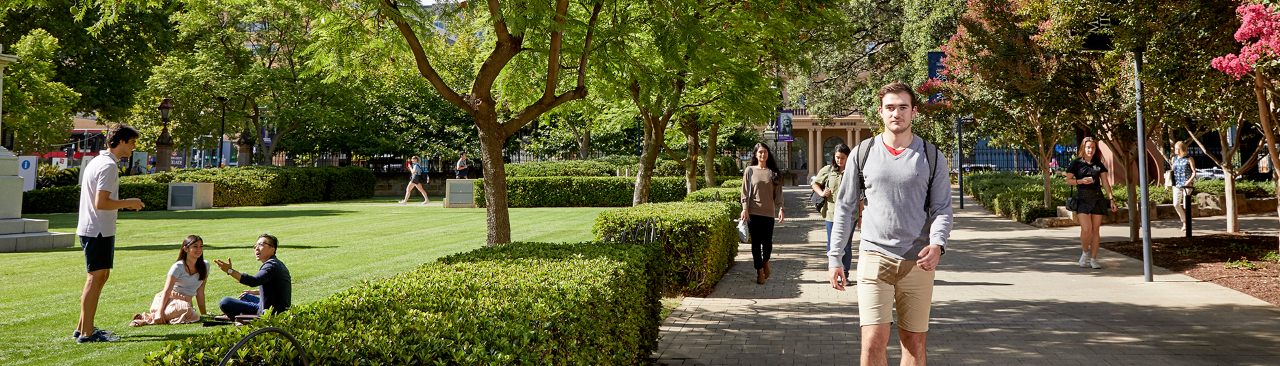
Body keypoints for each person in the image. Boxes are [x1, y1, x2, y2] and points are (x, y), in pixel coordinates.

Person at [827, 81, 953, 366]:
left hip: (919, 261)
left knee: (914, 344)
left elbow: (942, 209)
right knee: (872, 341)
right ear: (881, 112)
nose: (897, 113)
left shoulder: (932, 156)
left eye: (903, 107)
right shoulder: (863, 153)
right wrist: (835, 257)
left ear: (913, 112)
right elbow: (845, 208)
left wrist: (937, 244)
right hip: (874, 258)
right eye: (890, 107)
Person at [74, 124, 145, 344]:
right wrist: (129, 203)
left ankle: (83, 327)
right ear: (121, 141)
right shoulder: (108, 166)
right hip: (97, 230)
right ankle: (87, 334)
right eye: (132, 142)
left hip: (98, 229)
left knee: (101, 276)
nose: (133, 147)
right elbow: (101, 202)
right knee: (95, 278)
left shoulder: (99, 161)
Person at [130, 235, 210, 326]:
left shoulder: (205, 265)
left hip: (184, 302)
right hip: (168, 299)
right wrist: (160, 311)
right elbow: (167, 291)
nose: (199, 249)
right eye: (195, 246)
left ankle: (149, 318)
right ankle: (146, 320)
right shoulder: (178, 266)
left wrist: (204, 313)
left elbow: (200, 291)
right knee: (187, 311)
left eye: (201, 246)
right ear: (185, 249)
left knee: (191, 313)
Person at [1066, 137, 1117, 269]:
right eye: (1088, 147)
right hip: (1082, 197)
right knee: (1086, 229)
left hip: (1097, 198)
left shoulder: (1098, 164)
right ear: (1083, 148)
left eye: (1093, 148)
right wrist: (1081, 181)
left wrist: (1111, 199)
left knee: (1096, 230)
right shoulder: (1076, 163)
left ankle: (1094, 259)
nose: (1090, 150)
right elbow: (1068, 180)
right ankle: (1084, 253)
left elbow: (1105, 183)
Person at [213, 234, 292, 319]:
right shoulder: (276, 263)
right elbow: (275, 289)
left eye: (261, 244)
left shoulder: (271, 266)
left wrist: (230, 271)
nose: (257, 248)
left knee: (225, 302)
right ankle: (239, 313)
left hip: (271, 311)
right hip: (275, 306)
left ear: (272, 249)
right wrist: (253, 292)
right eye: (255, 246)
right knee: (246, 297)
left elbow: (254, 281)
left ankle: (235, 315)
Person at [739, 142, 785, 285]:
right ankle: (759, 270)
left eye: (765, 152)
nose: (762, 154)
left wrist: (781, 208)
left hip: (768, 213)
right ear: (755, 154)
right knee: (755, 243)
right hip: (753, 211)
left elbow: (778, 193)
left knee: (767, 243)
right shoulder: (750, 170)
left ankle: (766, 262)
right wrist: (744, 208)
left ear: (768, 154)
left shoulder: (773, 172)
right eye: (760, 152)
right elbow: (744, 191)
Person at [811, 143, 853, 280]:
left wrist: (862, 214)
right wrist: (822, 193)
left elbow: (861, 194)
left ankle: (845, 274)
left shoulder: (853, 171)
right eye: (837, 157)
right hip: (831, 213)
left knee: (846, 245)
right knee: (831, 243)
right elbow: (815, 183)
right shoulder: (828, 170)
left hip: (849, 214)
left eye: (842, 157)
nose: (839, 160)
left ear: (848, 157)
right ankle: (834, 271)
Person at [1170, 141, 1198, 232]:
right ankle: (1185, 221)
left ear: (1182, 149)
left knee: (1186, 205)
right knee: (1176, 204)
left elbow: (1194, 172)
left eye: (1178, 149)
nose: (1176, 150)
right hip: (1177, 184)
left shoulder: (1189, 159)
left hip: (1187, 185)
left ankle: (1186, 224)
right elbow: (1172, 172)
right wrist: (1168, 184)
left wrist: (1189, 181)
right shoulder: (1174, 159)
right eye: (1175, 149)